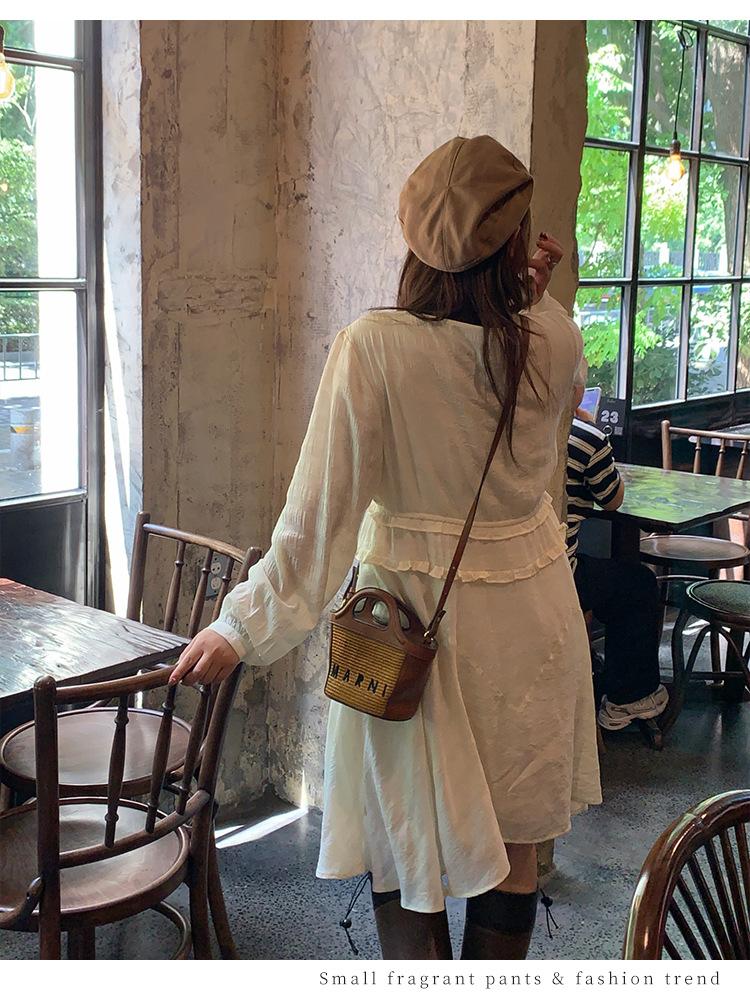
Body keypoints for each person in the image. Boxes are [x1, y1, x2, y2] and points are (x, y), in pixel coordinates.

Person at [170, 135, 601, 960]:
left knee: (403, 841)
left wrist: (240, 627)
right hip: (532, 618)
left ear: (418, 244)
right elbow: (536, 376)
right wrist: (532, 299)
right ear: (515, 243)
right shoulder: (554, 338)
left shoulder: (375, 345)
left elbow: (318, 519)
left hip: (408, 629)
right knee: (515, 845)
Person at [567, 379, 668, 731]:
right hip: (559, 575)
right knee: (638, 582)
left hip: (499, 569)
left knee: (616, 579)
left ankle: (592, 669)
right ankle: (629, 697)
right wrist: (594, 432)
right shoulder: (584, 437)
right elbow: (612, 499)